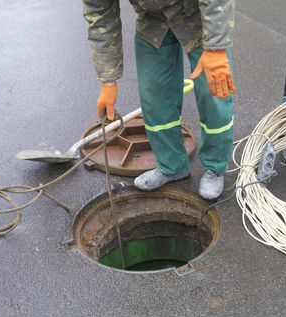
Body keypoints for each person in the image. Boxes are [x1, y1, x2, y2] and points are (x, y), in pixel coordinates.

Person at [82, 0, 236, 200]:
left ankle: (215, 168)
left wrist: (216, 48)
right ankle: (171, 165)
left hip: (199, 15)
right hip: (153, 20)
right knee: (154, 95)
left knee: (213, 93)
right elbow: (100, 16)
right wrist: (108, 81)